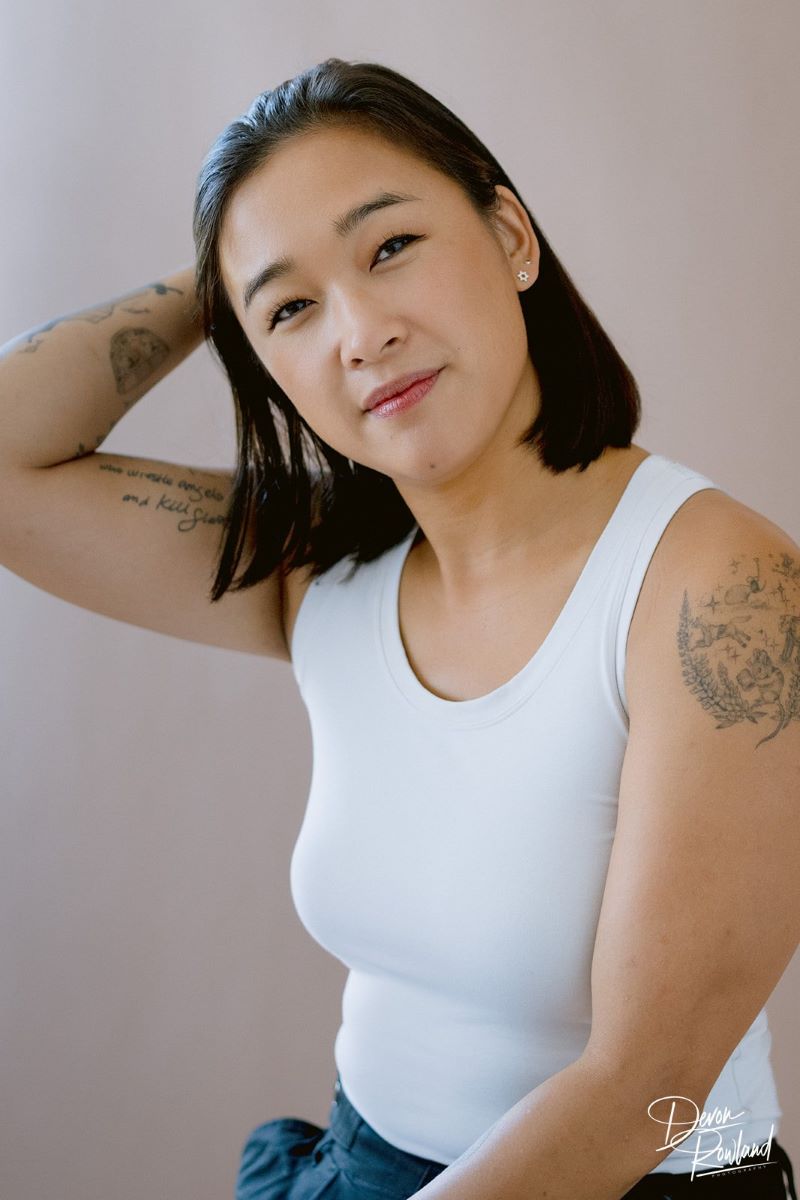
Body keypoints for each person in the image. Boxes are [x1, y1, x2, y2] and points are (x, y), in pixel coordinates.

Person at [0, 56, 797, 1200]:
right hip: (366, 1165)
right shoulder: (323, 575)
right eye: (291, 310)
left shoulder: (714, 584)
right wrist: (230, 262)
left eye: (389, 247)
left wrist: (276, 265)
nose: (360, 332)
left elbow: (649, 1086)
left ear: (510, 239)